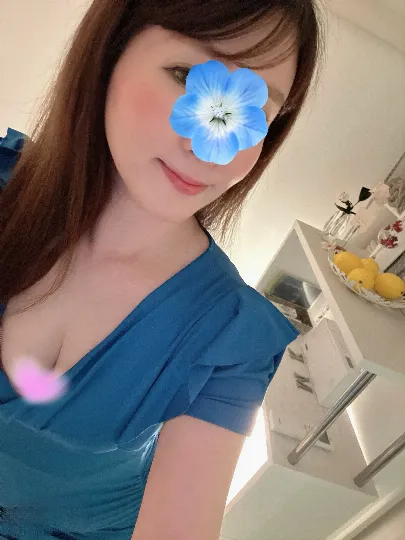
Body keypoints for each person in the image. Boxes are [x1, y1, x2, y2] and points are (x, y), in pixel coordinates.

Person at [0, 0, 320, 538]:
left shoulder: (231, 338)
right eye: (187, 76)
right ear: (110, 52)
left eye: (257, 110)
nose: (210, 149)